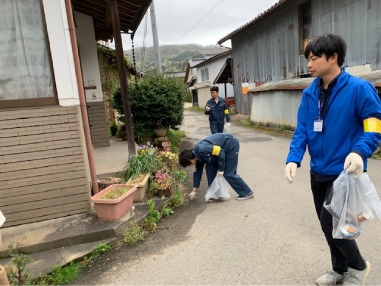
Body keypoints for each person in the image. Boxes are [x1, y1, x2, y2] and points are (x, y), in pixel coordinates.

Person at [284, 34, 381, 286]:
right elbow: (302, 130)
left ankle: (358, 268)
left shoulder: (359, 89)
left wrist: (360, 152)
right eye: (308, 59)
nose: (309, 64)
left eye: (314, 58)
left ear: (333, 58)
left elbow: (374, 127)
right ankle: (338, 270)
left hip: (344, 172)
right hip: (318, 171)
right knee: (327, 226)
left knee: (333, 225)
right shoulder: (309, 93)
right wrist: (293, 159)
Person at [179, 133, 253, 202]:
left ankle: (247, 192)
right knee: (210, 169)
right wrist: (194, 191)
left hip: (230, 145)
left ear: (189, 159)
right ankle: (215, 194)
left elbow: (220, 152)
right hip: (218, 154)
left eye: (188, 164)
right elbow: (198, 172)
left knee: (228, 173)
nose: (190, 165)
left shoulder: (201, 149)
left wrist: (221, 169)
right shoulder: (197, 158)